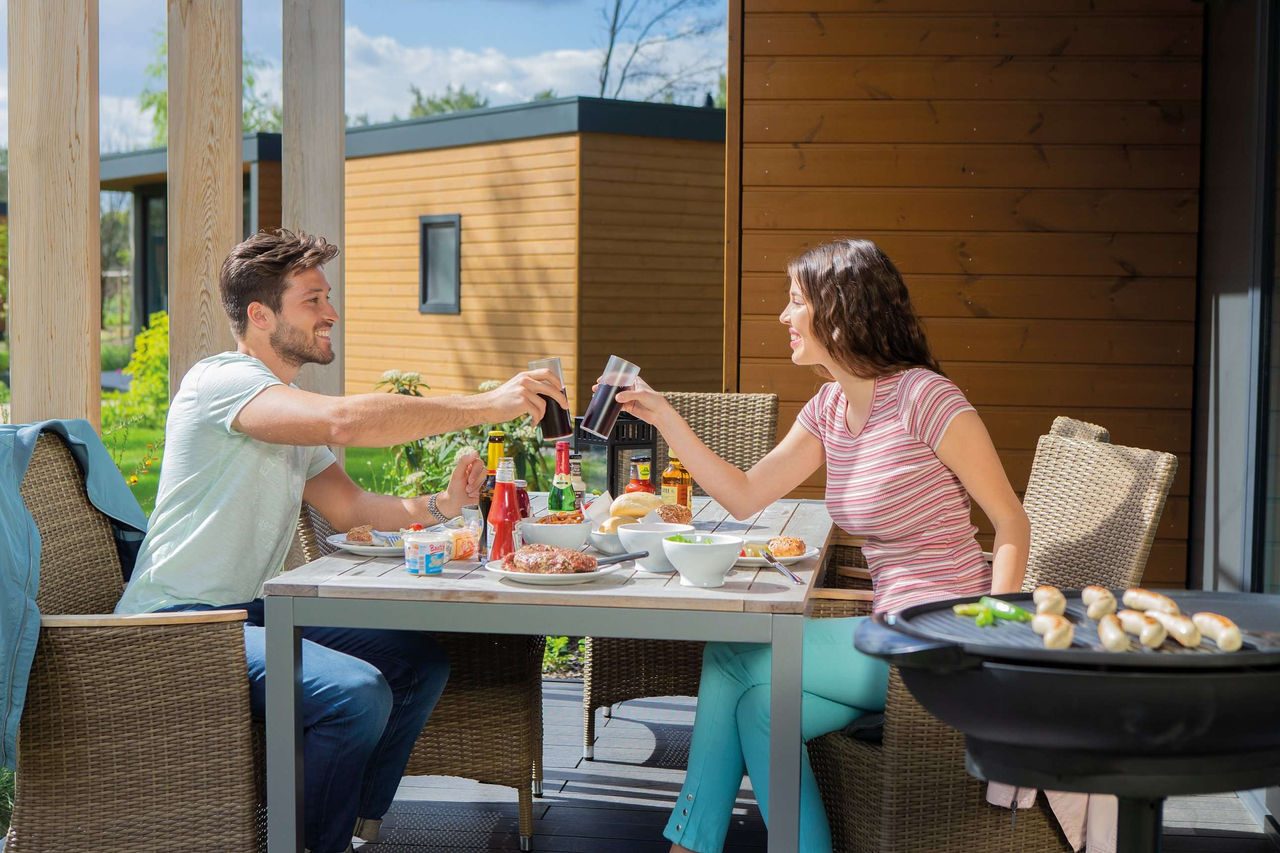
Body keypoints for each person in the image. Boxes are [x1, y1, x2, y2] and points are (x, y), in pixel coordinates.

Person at [114, 229, 569, 853]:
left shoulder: (284, 408)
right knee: (354, 695)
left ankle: (349, 828)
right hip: (178, 622)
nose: (331, 312)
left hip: (250, 612)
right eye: (313, 299)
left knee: (418, 665)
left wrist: (443, 504)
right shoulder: (219, 382)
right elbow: (345, 419)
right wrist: (487, 404)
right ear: (260, 314)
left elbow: (351, 505)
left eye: (328, 297)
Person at [612, 238, 1030, 853]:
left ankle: (688, 847)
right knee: (762, 708)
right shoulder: (831, 406)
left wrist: (999, 642)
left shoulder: (926, 399)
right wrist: (668, 418)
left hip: (943, 637)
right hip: (887, 628)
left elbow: (1011, 523)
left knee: (732, 653)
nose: (782, 317)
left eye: (794, 302)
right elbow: (747, 494)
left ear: (840, 311)